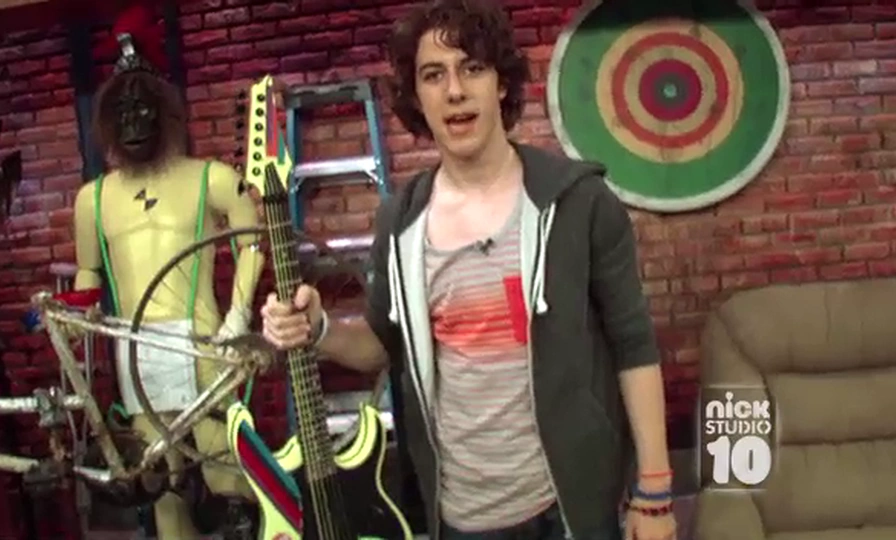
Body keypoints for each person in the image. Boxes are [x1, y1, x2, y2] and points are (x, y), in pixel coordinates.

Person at [261, 1, 676, 539]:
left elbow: (634, 346)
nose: (455, 90)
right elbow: (383, 345)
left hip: (572, 510)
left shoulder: (579, 203)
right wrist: (317, 329)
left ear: (501, 83)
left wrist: (654, 492)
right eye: (434, 75)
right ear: (417, 97)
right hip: (460, 518)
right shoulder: (401, 222)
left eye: (472, 68)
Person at [72, 5, 265, 538]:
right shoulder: (93, 200)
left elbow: (252, 242)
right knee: (164, 488)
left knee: (228, 479)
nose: (135, 121)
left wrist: (238, 315)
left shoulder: (212, 178)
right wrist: (77, 332)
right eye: (123, 111)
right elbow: (88, 275)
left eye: (144, 108)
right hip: (137, 354)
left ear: (164, 111)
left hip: (204, 348)